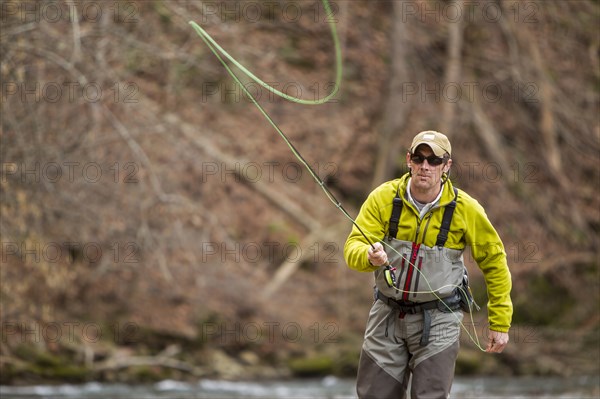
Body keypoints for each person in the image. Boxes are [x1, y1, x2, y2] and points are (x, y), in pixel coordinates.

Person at [344, 130, 513, 398]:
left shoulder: (466, 209)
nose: (425, 166)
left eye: (434, 161)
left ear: (447, 166)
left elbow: (495, 262)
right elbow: (352, 247)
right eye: (420, 158)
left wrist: (500, 323)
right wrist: (368, 256)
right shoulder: (383, 198)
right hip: (387, 316)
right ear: (409, 160)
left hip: (439, 321)